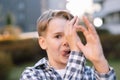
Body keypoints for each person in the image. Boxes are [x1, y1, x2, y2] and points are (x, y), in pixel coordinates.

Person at [20, 10, 116, 80]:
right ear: (43, 43)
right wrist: (76, 53)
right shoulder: (32, 75)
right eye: (58, 36)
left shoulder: (90, 74)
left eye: (70, 35)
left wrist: (99, 61)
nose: (67, 42)